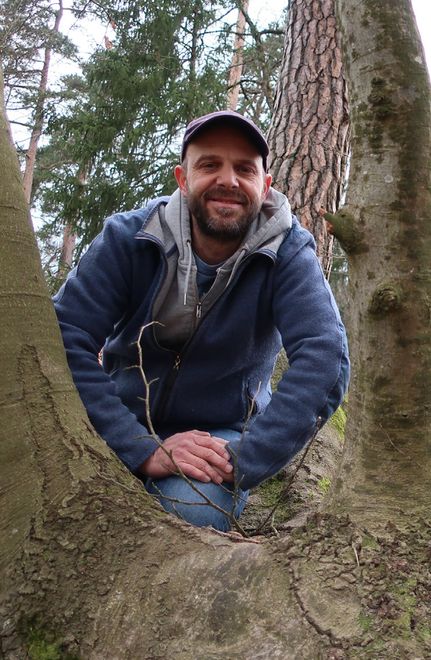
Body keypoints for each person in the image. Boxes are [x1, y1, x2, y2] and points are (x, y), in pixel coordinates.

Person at [54, 110, 350, 532]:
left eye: (244, 169)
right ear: (183, 178)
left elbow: (326, 356)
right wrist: (140, 446)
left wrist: (245, 458)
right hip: (119, 416)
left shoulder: (286, 251)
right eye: (210, 165)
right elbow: (65, 335)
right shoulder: (130, 237)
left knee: (192, 513)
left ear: (265, 185)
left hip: (217, 437)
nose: (228, 180)